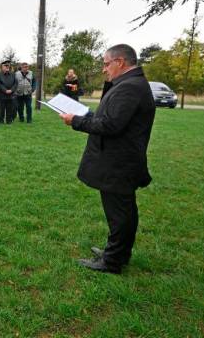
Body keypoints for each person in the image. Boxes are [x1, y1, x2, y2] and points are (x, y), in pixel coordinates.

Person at [59, 44, 156, 275]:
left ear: (120, 62)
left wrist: (76, 120)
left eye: (106, 63)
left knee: (120, 212)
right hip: (118, 159)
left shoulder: (129, 87)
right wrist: (88, 115)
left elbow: (111, 125)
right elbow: (112, 117)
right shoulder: (128, 84)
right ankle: (116, 253)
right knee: (120, 211)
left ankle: (112, 261)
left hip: (119, 161)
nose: (104, 69)